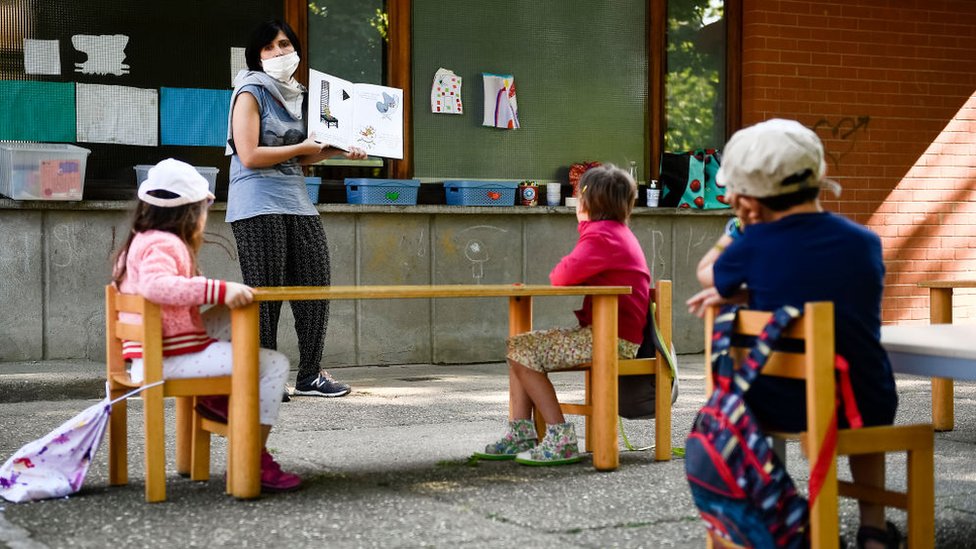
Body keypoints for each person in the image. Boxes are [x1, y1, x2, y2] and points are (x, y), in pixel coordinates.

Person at [685, 119, 901, 549]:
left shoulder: (753, 242)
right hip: (860, 403)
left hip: (773, 403)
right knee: (863, 394)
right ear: (819, 176)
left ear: (746, 198)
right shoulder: (865, 242)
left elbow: (706, 273)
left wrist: (739, 231)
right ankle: (873, 528)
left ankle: (778, 513)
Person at [112, 158, 301, 492]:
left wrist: (220, 294)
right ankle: (252, 457)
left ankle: (216, 396)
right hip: (166, 359)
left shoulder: (140, 239)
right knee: (274, 365)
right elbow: (156, 287)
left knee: (233, 312)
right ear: (189, 211)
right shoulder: (164, 243)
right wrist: (220, 289)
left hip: (154, 351)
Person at [225, 20, 366, 399]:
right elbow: (251, 155)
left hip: (296, 200)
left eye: (284, 44)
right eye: (269, 48)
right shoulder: (250, 92)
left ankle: (310, 375)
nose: (278, 54)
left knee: (314, 284)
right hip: (255, 203)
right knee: (265, 293)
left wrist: (340, 148)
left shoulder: (303, 94)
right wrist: (303, 148)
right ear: (256, 56)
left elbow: (306, 155)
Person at [474, 165, 651, 466]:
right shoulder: (618, 233)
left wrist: (584, 227)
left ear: (588, 203)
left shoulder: (601, 236)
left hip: (611, 339)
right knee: (520, 346)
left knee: (522, 348)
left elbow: (561, 275)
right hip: (617, 334)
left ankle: (558, 437)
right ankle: (523, 433)